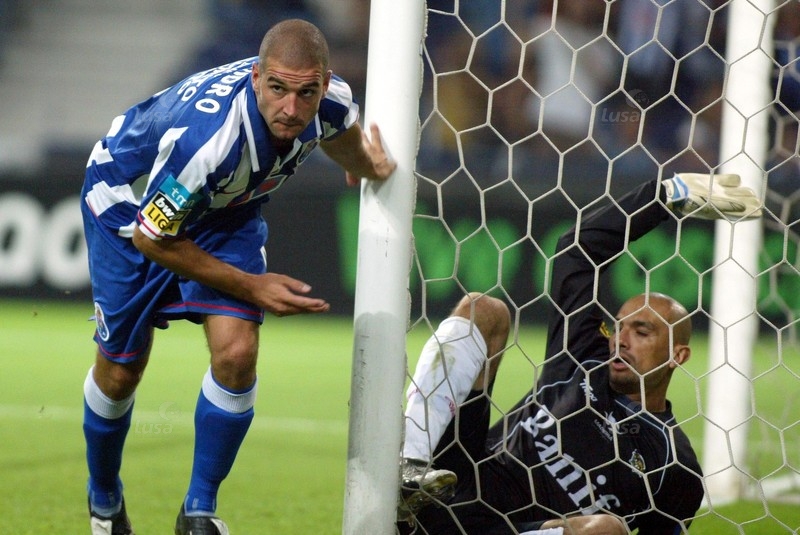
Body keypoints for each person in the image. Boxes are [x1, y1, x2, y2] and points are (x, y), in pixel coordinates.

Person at [81, 18, 396, 535]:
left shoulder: (332, 102)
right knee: (122, 370)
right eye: (277, 89)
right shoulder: (208, 143)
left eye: (305, 92)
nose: (290, 108)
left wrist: (368, 165)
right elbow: (151, 237)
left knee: (237, 352)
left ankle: (198, 512)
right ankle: (104, 499)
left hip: (223, 211)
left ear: (324, 83)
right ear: (255, 78)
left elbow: (340, 134)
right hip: (127, 206)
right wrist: (253, 287)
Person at [397, 173, 762, 534]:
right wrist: (663, 196)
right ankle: (408, 470)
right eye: (618, 327)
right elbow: (576, 250)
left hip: (511, 530)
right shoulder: (582, 356)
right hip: (450, 486)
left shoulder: (674, 465)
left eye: (641, 332)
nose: (621, 340)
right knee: (484, 309)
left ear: (677, 356)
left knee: (605, 530)